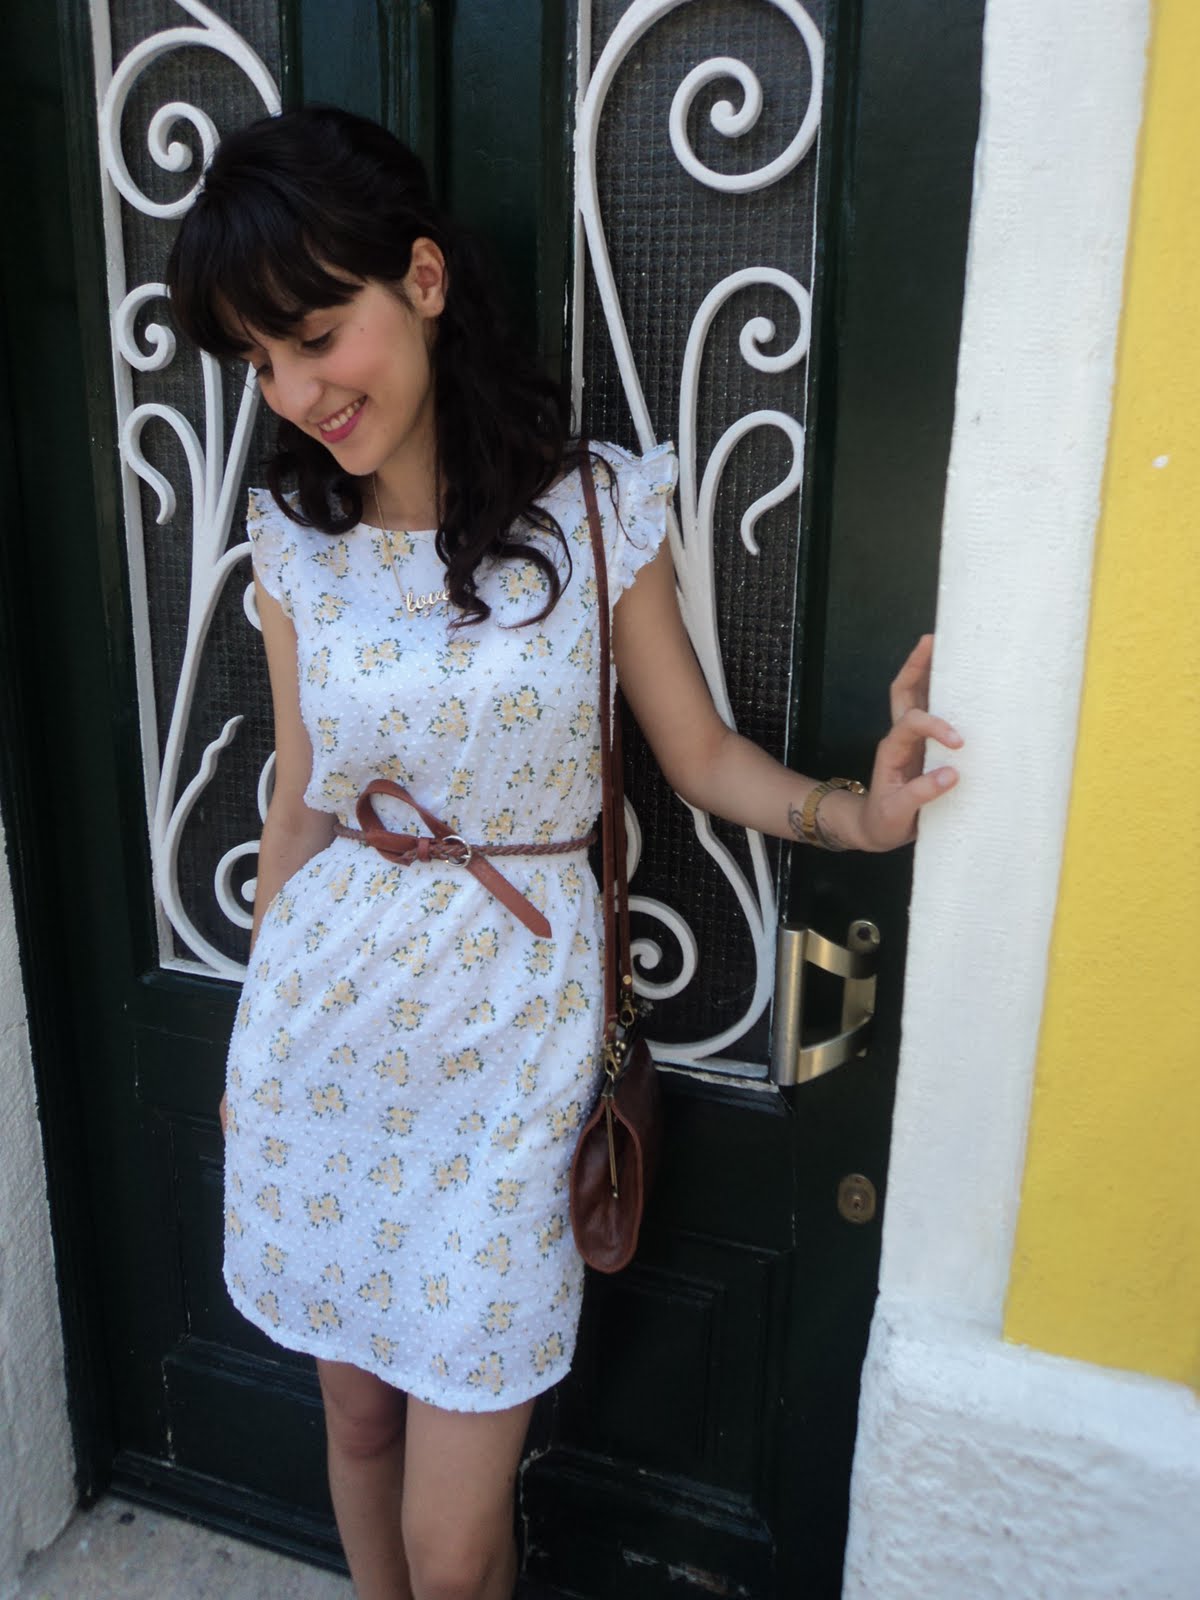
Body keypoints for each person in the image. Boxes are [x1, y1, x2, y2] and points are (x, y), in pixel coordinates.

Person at [165, 105, 961, 1600]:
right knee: (354, 1420)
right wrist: (245, 1038)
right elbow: (301, 808)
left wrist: (856, 812)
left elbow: (699, 756)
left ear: (424, 279)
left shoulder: (592, 513)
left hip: (508, 1057)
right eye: (260, 363)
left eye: (316, 336)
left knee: (459, 1543)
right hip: (323, 1040)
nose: (296, 393)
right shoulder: (296, 547)